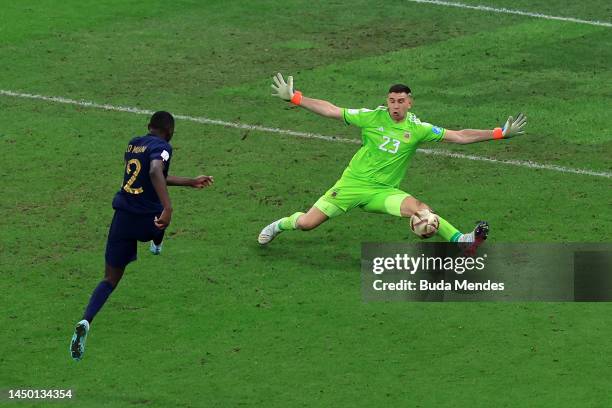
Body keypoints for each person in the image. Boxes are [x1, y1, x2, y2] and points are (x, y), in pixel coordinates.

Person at [258, 73, 527, 252]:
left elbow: (458, 136)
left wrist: (498, 133)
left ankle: (462, 241)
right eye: (391, 101)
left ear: (410, 103)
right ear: (386, 101)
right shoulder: (371, 117)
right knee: (306, 224)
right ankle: (279, 225)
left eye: (400, 101)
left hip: (384, 192)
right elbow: (331, 110)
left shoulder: (419, 128)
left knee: (422, 210)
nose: (395, 105)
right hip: (352, 185)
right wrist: (296, 98)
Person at [70, 111, 214, 361]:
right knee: (163, 215)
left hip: (122, 218)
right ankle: (157, 244)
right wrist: (168, 208)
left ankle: (86, 320)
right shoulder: (163, 147)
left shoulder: (133, 143)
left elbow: (153, 174)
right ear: (170, 132)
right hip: (147, 220)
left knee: (109, 279)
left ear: (149, 127)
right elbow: (155, 171)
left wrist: (190, 181)